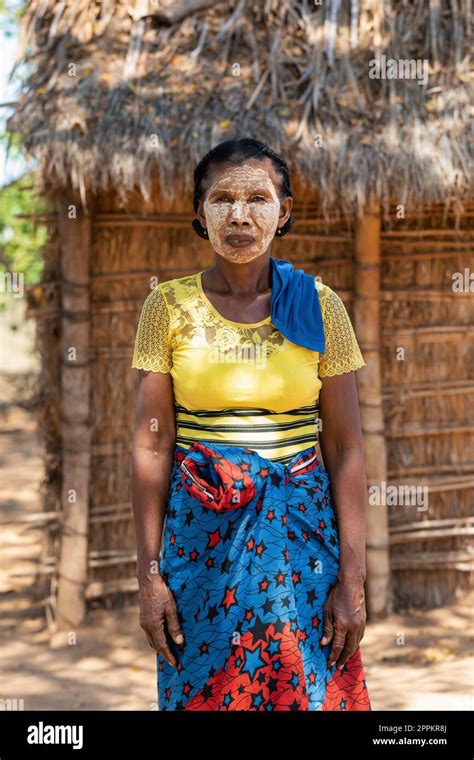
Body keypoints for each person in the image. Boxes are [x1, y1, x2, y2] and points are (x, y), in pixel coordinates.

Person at [131, 137, 371, 711]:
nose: (240, 215)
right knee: (207, 692)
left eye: (258, 199)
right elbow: (150, 447)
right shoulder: (167, 307)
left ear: (283, 212)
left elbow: (344, 447)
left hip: (303, 540)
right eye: (222, 199)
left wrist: (354, 580)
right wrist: (149, 576)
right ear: (199, 212)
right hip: (200, 545)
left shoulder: (320, 306)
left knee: (306, 687)